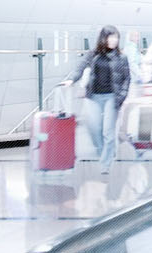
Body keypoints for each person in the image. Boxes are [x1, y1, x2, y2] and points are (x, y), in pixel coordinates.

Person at [56, 25, 130, 174]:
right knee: (95, 128)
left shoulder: (121, 57)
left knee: (108, 131)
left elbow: (127, 78)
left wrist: (122, 96)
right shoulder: (93, 54)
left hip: (112, 97)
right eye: (111, 37)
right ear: (103, 38)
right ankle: (105, 153)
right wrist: (72, 80)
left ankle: (105, 164)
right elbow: (80, 67)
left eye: (116, 37)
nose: (114, 40)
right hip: (94, 96)